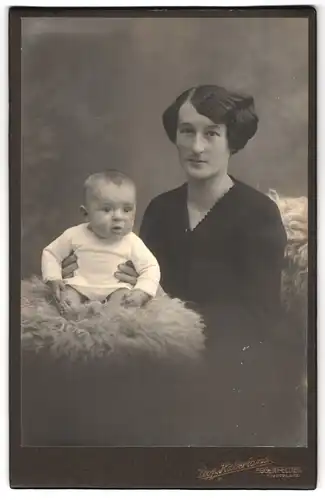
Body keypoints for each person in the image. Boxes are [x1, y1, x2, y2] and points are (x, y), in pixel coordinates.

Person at [61, 85, 304, 445]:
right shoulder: (161, 209)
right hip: (162, 352)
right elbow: (133, 282)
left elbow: (259, 315)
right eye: (186, 131)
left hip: (240, 360)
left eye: (211, 133)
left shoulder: (258, 214)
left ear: (231, 140)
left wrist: (167, 306)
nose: (196, 146)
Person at [42, 170, 160, 315]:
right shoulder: (74, 235)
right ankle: (74, 314)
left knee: (123, 308)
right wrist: (53, 277)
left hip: (116, 288)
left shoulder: (132, 241)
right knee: (66, 302)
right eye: (107, 209)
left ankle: (113, 317)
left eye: (127, 210)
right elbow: (51, 254)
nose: (118, 217)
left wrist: (142, 291)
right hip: (78, 285)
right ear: (86, 214)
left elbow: (150, 267)